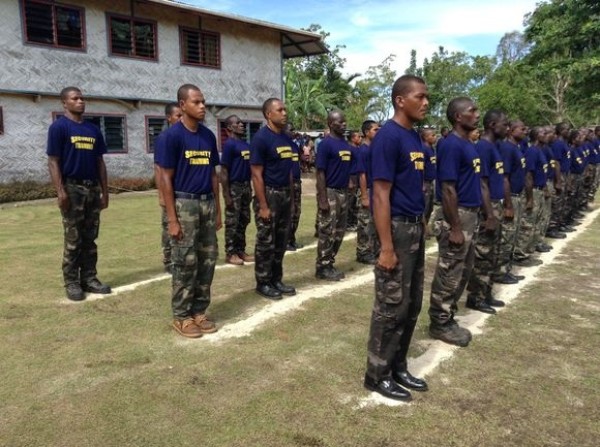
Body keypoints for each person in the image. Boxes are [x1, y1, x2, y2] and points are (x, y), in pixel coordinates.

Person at [364, 74, 429, 401]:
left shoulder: (414, 137)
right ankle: (377, 374)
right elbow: (380, 194)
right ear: (400, 100)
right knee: (391, 305)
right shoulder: (388, 137)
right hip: (397, 230)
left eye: (426, 97)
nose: (426, 102)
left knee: (411, 303)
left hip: (414, 228)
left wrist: (423, 222)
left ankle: (398, 366)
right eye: (420, 97)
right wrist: (387, 247)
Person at [156, 84, 221, 338]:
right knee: (185, 261)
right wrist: (172, 219)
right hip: (184, 204)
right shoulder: (171, 137)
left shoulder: (208, 136)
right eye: (196, 102)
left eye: (203, 101)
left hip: (207, 203)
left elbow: (213, 175)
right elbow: (165, 179)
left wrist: (217, 210)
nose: (202, 106)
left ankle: (199, 311)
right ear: (182, 105)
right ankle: (181, 316)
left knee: (207, 259)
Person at [47, 86, 111, 301]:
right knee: (73, 238)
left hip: (92, 189)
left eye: (82, 98)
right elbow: (53, 161)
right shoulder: (59, 127)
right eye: (75, 98)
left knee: (90, 238)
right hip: (72, 189)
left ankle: (89, 278)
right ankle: (72, 282)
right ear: (64, 103)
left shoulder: (93, 129)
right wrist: (60, 191)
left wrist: (105, 192)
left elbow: (100, 162)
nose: (80, 101)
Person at [427, 97, 482, 347]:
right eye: (472, 111)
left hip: (470, 214)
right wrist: (456, 227)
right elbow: (448, 188)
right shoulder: (450, 145)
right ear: (458, 117)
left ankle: (448, 316)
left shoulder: (468, 144)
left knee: (463, 270)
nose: (477, 114)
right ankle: (439, 322)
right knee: (449, 270)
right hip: (456, 216)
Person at [250, 98, 296, 300]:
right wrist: (263, 206)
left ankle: (276, 279)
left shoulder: (285, 138)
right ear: (269, 114)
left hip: (285, 193)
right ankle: (263, 282)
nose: (284, 113)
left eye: (285, 109)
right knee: (266, 241)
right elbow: (256, 174)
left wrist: (291, 199)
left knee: (281, 240)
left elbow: (289, 171)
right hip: (269, 194)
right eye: (280, 110)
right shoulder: (261, 138)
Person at [465, 109, 508, 314]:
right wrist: (489, 214)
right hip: (488, 206)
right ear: (492, 125)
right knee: (483, 253)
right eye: (504, 124)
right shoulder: (482, 147)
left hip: (497, 204)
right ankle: (476, 296)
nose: (507, 128)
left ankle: (486, 292)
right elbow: (482, 183)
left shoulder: (494, 146)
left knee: (493, 253)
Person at [315, 111, 354, 281]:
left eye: (345, 121)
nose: (344, 124)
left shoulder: (345, 144)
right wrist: (323, 199)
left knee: (339, 231)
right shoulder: (326, 144)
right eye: (340, 122)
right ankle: (322, 267)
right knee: (327, 231)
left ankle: (330, 262)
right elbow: (320, 173)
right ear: (331, 124)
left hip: (344, 192)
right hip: (330, 192)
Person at [220, 115, 254, 266]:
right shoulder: (229, 144)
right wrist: (226, 195)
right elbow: (224, 171)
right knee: (232, 221)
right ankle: (230, 253)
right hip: (234, 187)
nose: (242, 124)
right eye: (238, 123)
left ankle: (240, 250)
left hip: (246, 187)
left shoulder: (245, 144)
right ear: (229, 127)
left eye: (242, 122)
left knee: (244, 220)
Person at [154, 102, 182, 273]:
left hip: (184, 192)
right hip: (169, 190)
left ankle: (180, 258)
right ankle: (169, 260)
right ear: (169, 118)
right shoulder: (164, 138)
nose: (181, 119)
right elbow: (159, 169)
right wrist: (161, 194)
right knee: (168, 225)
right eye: (178, 116)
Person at [355, 120, 379, 264]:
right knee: (365, 223)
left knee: (375, 223)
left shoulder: (375, 149)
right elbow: (362, 175)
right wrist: (364, 196)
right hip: (367, 190)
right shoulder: (363, 150)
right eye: (375, 130)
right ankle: (363, 252)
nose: (378, 132)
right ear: (366, 132)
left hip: (376, 191)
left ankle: (374, 250)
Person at [287, 130, 304, 252]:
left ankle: (291, 239)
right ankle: (286, 241)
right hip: (288, 183)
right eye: (290, 129)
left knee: (296, 212)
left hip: (297, 182)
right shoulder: (282, 145)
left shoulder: (294, 145)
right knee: (289, 212)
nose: (293, 132)